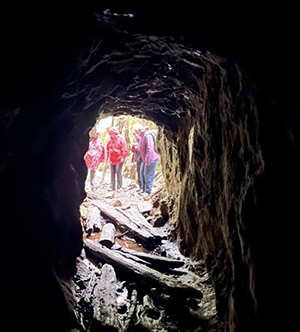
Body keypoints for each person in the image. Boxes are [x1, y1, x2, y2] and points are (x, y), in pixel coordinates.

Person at [139, 126, 159, 196]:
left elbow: (150, 149)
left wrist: (147, 159)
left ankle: (148, 192)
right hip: (146, 159)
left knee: (148, 176)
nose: (136, 134)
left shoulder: (148, 136)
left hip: (152, 158)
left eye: (136, 132)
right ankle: (144, 190)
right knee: (143, 174)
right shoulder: (143, 136)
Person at [106, 127, 128, 191]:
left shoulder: (121, 139)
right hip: (112, 159)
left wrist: (123, 157)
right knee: (112, 172)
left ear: (115, 133)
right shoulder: (110, 140)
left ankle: (119, 187)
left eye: (111, 134)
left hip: (119, 159)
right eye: (110, 134)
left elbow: (125, 149)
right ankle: (112, 186)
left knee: (118, 172)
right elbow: (107, 148)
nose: (111, 135)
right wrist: (108, 157)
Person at [131, 123, 143, 191]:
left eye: (136, 133)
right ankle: (140, 186)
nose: (135, 135)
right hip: (137, 158)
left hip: (142, 158)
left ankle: (143, 187)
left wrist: (137, 147)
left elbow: (142, 149)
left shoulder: (141, 138)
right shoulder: (135, 139)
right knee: (139, 172)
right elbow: (132, 150)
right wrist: (134, 146)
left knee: (142, 172)